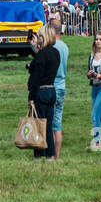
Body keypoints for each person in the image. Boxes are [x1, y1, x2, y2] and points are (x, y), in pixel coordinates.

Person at [26, 24, 59, 161]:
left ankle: (39, 154)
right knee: (48, 125)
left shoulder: (42, 54)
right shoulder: (55, 52)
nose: (37, 38)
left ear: (44, 37)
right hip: (51, 89)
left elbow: (36, 77)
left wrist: (31, 97)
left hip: (40, 91)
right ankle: (51, 155)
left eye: (39, 36)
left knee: (38, 124)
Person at [47, 17, 68, 159]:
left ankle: (51, 155)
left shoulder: (51, 47)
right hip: (62, 85)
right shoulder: (65, 46)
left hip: (52, 85)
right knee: (57, 124)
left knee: (50, 124)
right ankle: (57, 156)